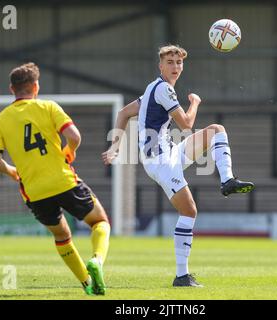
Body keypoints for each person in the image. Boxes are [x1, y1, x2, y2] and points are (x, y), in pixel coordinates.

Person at [102, 45, 254, 287]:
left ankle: (227, 180)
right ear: (160, 66)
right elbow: (186, 124)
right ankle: (181, 276)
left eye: (179, 63)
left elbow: (122, 113)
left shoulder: (153, 88)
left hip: (169, 152)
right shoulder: (163, 90)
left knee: (216, 130)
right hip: (160, 161)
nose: (175, 67)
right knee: (189, 211)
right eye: (170, 62)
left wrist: (115, 147)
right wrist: (195, 102)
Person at [0, 62, 110, 296]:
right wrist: (69, 150)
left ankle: (86, 283)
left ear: (11, 89)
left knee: (62, 236)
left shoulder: (0, 120)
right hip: (64, 181)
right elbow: (74, 136)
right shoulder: (49, 107)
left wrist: (13, 171)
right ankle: (97, 261)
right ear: (36, 86)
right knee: (99, 222)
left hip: (34, 190)